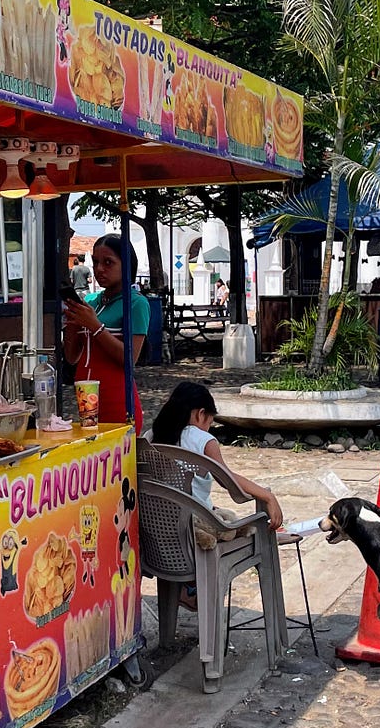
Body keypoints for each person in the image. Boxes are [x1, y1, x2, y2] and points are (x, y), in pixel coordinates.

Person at [149, 381, 284, 610]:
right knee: (237, 526)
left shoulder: (153, 435)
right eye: (210, 422)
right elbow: (228, 480)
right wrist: (267, 496)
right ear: (201, 414)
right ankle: (196, 590)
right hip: (193, 532)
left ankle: (188, 588)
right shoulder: (203, 440)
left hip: (161, 532)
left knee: (214, 514)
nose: (209, 427)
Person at [62, 234, 149, 430]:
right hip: (85, 396)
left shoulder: (136, 303)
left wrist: (95, 326)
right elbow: (71, 356)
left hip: (117, 398)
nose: (100, 269)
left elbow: (130, 358)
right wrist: (72, 324)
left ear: (126, 265)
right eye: (96, 262)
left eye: (108, 262)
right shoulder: (91, 301)